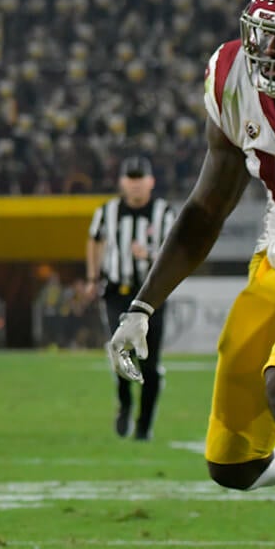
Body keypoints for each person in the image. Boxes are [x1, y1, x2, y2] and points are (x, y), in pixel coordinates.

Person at [108, 0, 275, 549]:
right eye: (261, 35)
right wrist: (143, 304)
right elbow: (206, 205)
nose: (265, 54)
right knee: (233, 466)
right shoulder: (234, 80)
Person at [87, 156, 176, 440]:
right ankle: (125, 405)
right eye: (130, 179)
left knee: (149, 363)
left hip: (152, 295)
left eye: (140, 179)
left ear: (150, 182)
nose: (135, 185)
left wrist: (149, 255)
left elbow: (175, 250)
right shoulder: (107, 212)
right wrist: (92, 278)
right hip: (117, 292)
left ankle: (144, 424)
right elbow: (94, 240)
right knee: (120, 353)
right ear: (122, 182)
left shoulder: (164, 213)